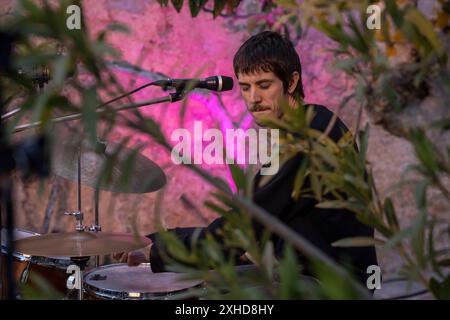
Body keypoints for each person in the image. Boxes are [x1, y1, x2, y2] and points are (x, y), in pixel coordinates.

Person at [114, 31, 378, 286]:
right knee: (207, 283)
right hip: (303, 269)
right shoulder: (314, 122)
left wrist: (160, 250)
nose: (254, 99)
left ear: (292, 81)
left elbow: (244, 227)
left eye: (264, 85)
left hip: (332, 286)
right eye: (245, 87)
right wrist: (160, 239)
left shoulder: (306, 138)